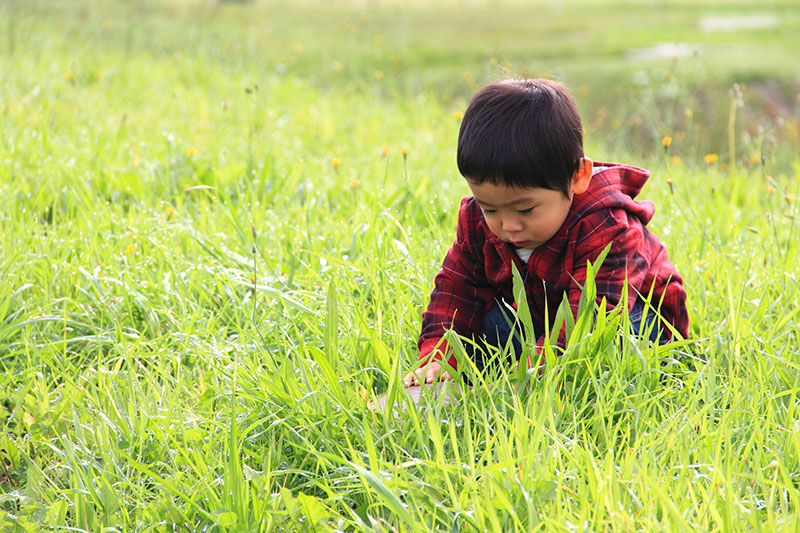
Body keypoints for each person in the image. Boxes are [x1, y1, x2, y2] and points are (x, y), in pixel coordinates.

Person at [404, 78, 689, 387]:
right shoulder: (476, 219)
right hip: (540, 320)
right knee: (488, 327)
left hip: (626, 318)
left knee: (617, 346)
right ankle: (493, 372)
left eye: (525, 210)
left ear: (577, 177)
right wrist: (441, 352)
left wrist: (532, 369)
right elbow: (457, 287)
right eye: (491, 209)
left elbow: (592, 316)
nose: (508, 226)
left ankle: (545, 375)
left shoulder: (607, 225)